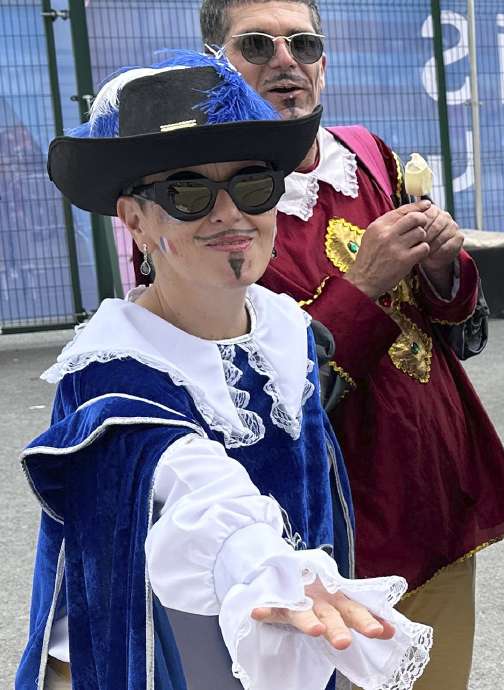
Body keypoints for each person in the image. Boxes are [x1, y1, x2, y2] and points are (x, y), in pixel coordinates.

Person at [17, 52, 433, 690]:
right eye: (186, 191)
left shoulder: (287, 332)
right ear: (135, 219)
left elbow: (320, 501)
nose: (230, 214)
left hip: (306, 643)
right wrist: (266, 567)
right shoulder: (113, 372)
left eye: (253, 184)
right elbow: (192, 484)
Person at [193, 3, 504, 687]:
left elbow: (455, 320)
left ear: (323, 62)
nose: (285, 61)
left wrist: (441, 266)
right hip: (333, 534)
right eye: (257, 44)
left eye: (303, 44)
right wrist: (362, 283)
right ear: (213, 62)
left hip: (437, 492)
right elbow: (249, 394)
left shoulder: (371, 156)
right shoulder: (208, 206)